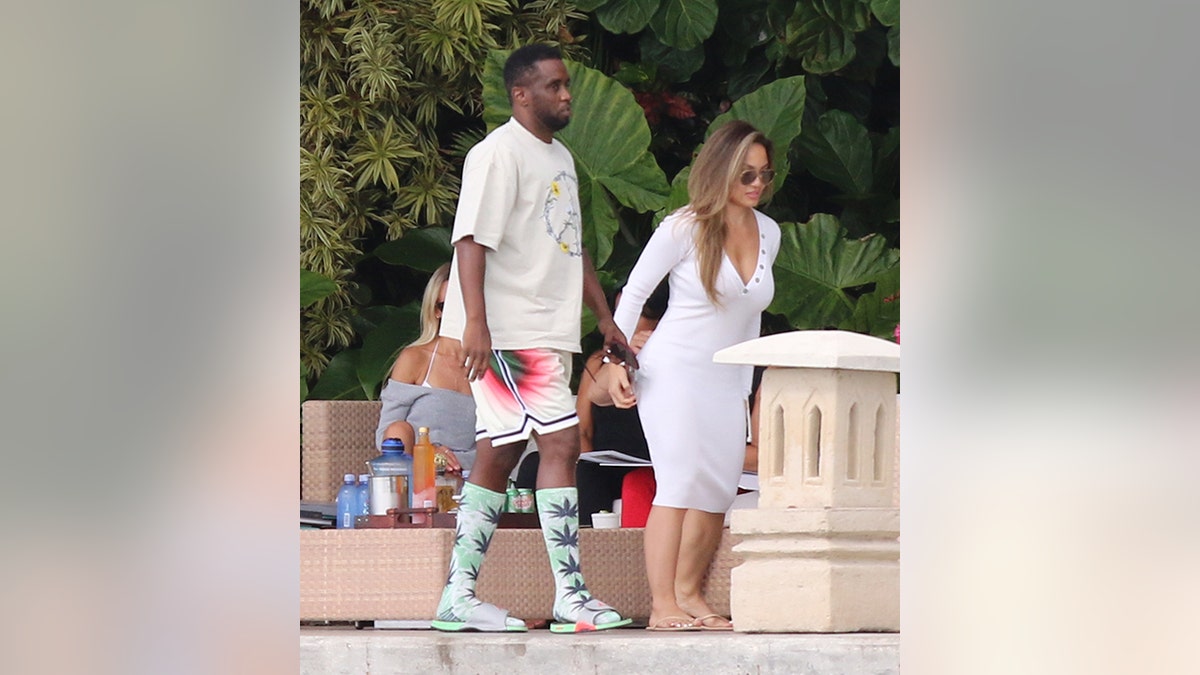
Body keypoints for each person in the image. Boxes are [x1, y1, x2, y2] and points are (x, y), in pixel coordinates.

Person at [431, 44, 636, 634]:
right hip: (507, 330)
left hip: (546, 328)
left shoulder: (562, 158)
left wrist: (603, 318)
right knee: (563, 443)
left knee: (497, 454)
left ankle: (458, 595)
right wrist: (476, 324)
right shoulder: (495, 155)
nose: (567, 94)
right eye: (554, 86)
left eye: (567, 84)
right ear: (522, 94)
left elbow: (574, 246)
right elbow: (471, 241)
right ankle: (570, 595)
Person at [605, 120, 781, 631]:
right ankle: (662, 604)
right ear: (720, 169)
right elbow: (633, 296)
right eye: (746, 173)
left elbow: (751, 316)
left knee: (718, 489)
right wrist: (618, 362)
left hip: (727, 378)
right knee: (680, 483)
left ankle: (689, 594)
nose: (756, 184)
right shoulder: (683, 226)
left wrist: (746, 391)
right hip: (673, 371)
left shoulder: (769, 232)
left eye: (764, 175)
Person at [514, 283, 668, 526]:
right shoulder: (600, 361)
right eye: (617, 313)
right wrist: (582, 460)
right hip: (602, 459)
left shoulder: (675, 360)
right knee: (535, 464)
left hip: (645, 461)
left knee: (589, 476)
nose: (623, 321)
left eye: (633, 313)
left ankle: (586, 547)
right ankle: (522, 539)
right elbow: (582, 428)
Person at [374, 262, 474, 475]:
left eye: (465, 305)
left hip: (476, 471)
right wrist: (427, 450)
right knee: (397, 431)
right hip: (420, 471)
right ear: (436, 310)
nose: (457, 314)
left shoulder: (492, 364)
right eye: (448, 306)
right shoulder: (416, 358)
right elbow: (387, 435)